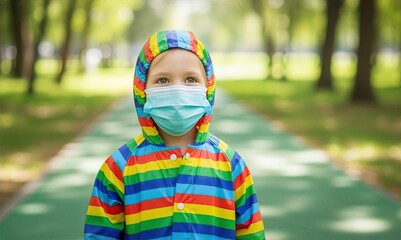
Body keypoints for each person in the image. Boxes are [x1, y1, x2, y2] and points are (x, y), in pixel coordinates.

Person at [84, 29, 265, 239]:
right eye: (162, 80)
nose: (178, 90)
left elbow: (252, 234)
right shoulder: (117, 169)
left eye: (190, 79)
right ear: (142, 89)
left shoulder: (232, 165)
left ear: (209, 88)